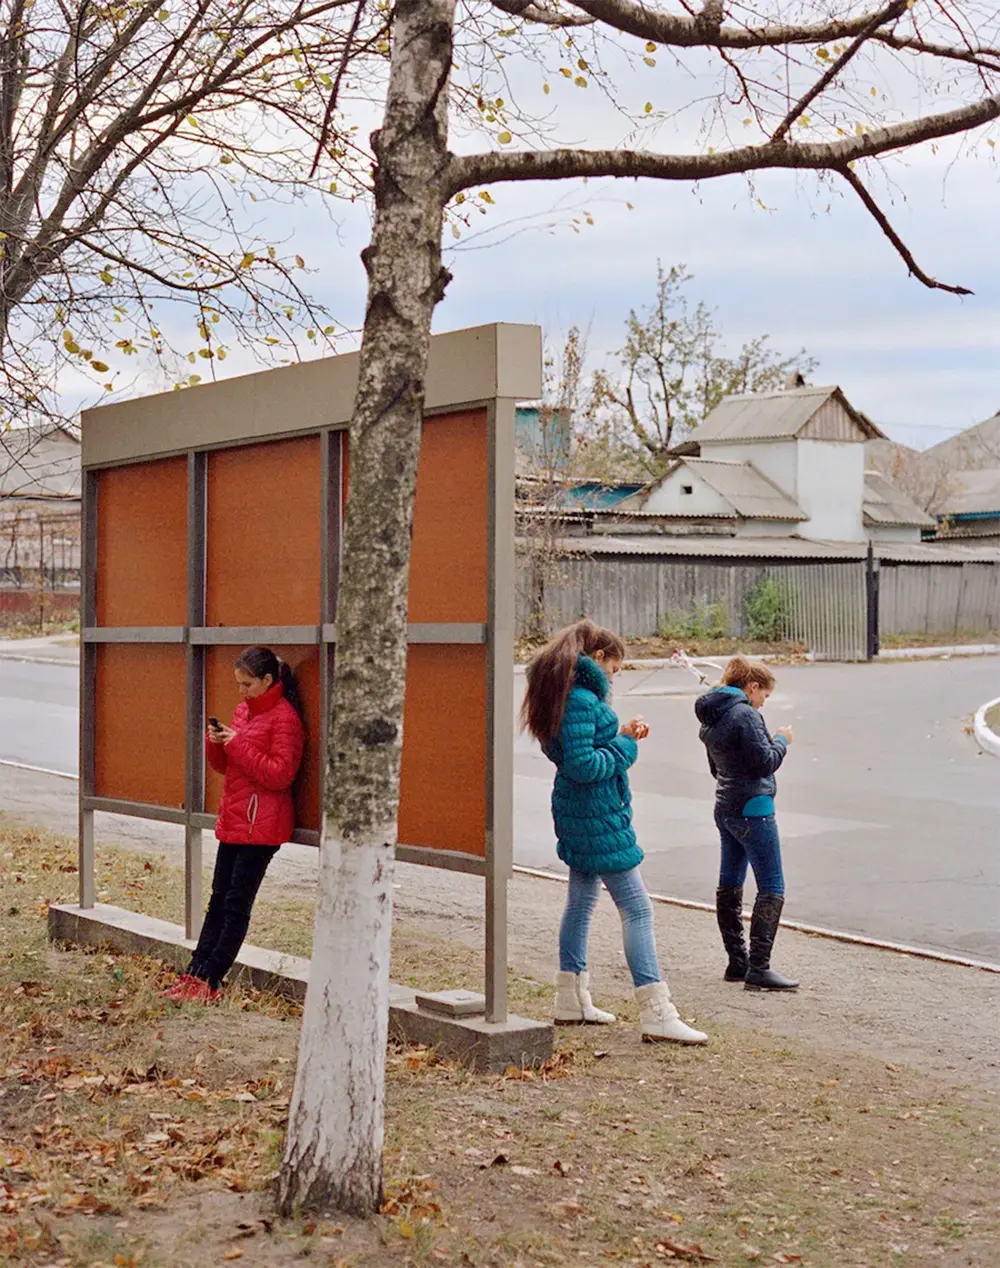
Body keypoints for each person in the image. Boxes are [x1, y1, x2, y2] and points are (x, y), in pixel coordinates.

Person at [522, 619, 708, 1045]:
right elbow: (583, 765)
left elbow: (573, 753)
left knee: (581, 901)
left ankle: (570, 998)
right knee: (638, 908)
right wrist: (626, 744)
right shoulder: (581, 699)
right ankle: (656, 1012)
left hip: (580, 812)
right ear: (599, 657)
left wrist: (620, 733)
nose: (613, 677)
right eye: (614, 670)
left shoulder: (563, 693)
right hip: (597, 815)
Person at [163, 647, 305, 1003]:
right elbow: (225, 766)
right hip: (236, 820)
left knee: (235, 906)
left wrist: (238, 745)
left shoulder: (285, 719)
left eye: (247, 684)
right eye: (239, 684)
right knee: (217, 901)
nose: (241, 691)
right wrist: (216, 744)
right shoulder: (244, 711)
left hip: (263, 827)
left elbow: (281, 774)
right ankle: (194, 974)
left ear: (268, 680)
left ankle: (210, 981)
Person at [695, 654, 798, 992]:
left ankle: (737, 961)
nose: (764, 702)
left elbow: (716, 769)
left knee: (730, 882)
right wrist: (781, 740)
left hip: (725, 805)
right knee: (772, 885)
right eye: (764, 695)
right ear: (752, 687)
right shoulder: (746, 715)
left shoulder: (712, 716)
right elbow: (765, 762)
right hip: (754, 808)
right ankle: (759, 968)